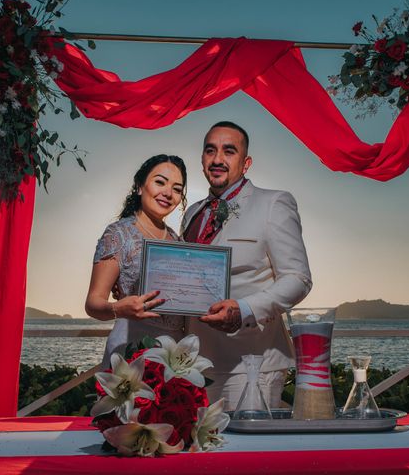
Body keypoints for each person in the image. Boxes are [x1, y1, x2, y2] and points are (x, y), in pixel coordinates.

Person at [181, 121, 312, 410]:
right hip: (193, 363)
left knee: (245, 454)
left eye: (229, 151)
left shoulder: (273, 203)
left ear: (246, 162)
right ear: (202, 159)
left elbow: (298, 278)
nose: (217, 159)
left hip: (251, 364)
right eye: (210, 151)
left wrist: (245, 310)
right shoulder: (192, 213)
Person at [86, 154, 187, 367]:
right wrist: (117, 309)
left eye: (177, 189)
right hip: (131, 348)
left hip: (175, 355)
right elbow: (93, 303)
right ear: (140, 186)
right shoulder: (118, 234)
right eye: (160, 182)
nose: (168, 193)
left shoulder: (178, 241)